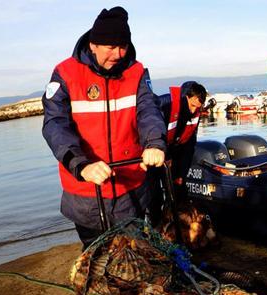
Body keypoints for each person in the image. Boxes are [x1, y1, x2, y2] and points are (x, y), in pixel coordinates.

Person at [42, 6, 166, 249]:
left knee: (136, 254)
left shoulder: (137, 72)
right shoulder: (65, 73)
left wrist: (155, 143)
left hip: (131, 188)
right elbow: (55, 124)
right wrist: (81, 165)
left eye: (123, 46)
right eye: (111, 47)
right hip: (86, 191)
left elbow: (148, 110)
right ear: (93, 44)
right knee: (97, 258)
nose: (118, 54)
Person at [149, 81, 207, 224]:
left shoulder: (195, 114)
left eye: (197, 107)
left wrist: (182, 173)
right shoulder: (164, 104)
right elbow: (152, 132)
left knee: (179, 191)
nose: (194, 111)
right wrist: (165, 155)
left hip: (175, 154)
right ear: (186, 97)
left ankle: (178, 226)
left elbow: (190, 145)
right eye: (192, 105)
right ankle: (155, 227)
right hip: (155, 153)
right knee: (153, 195)